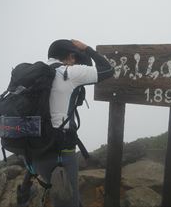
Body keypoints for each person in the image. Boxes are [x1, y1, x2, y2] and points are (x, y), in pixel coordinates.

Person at [17, 39, 114, 207]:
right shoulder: (68, 72)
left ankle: (26, 196)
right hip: (61, 151)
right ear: (70, 56)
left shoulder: (34, 73)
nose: (76, 62)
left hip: (32, 149)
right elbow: (108, 70)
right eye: (75, 58)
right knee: (69, 201)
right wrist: (87, 49)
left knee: (61, 195)